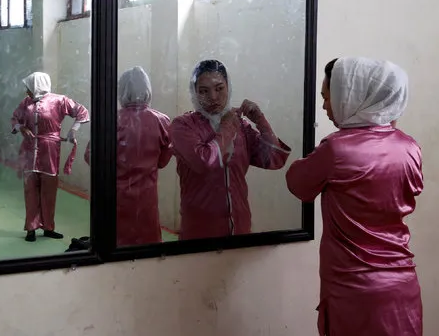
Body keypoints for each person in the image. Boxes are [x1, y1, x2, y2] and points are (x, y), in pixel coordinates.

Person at [285, 57, 423, 336]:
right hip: (402, 285)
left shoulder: (336, 150)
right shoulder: (410, 147)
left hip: (355, 290)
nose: (324, 106)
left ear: (352, 95)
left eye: (328, 97)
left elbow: (298, 184)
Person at [169, 59, 291, 240]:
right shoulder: (183, 126)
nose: (213, 97)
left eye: (219, 88)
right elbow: (204, 162)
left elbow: (273, 160)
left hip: (239, 231)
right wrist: (227, 127)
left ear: (229, 87)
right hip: (199, 235)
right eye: (203, 91)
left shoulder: (241, 126)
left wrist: (260, 121)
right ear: (194, 93)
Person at [83, 66, 173, 246]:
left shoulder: (110, 120)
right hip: (147, 198)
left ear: (121, 90)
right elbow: (163, 161)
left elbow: (90, 156)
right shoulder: (162, 121)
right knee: (147, 246)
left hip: (115, 196)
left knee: (114, 244)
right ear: (148, 89)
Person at [11, 72, 89, 242]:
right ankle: (31, 228)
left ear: (37, 86)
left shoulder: (59, 101)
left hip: (50, 150)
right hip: (30, 149)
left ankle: (48, 227)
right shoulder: (26, 103)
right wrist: (21, 128)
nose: (27, 91)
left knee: (49, 190)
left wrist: (73, 130)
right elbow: (15, 118)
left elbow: (82, 112)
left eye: (29, 87)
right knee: (30, 189)